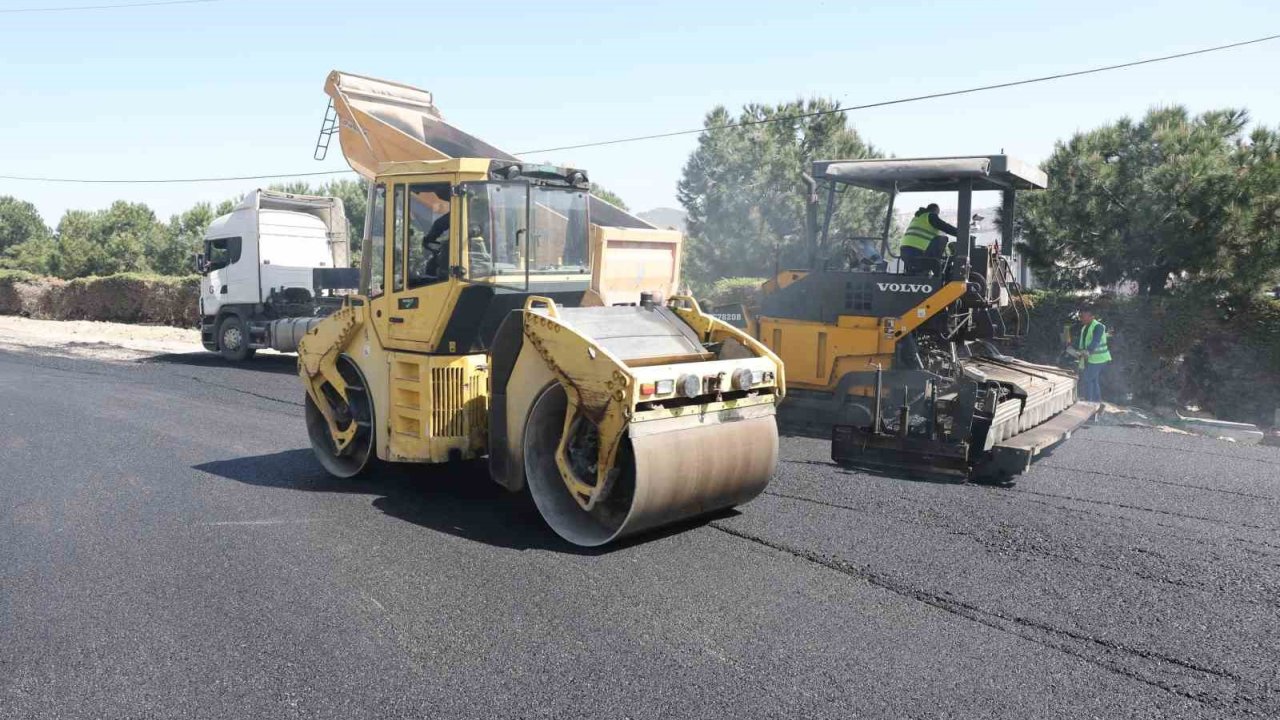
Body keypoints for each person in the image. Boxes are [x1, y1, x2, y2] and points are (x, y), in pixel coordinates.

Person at [1067, 306, 1112, 403]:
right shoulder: (1085, 327)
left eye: (1083, 316)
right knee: (1093, 380)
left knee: (1088, 379)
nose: (1081, 318)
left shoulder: (1098, 326)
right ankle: (1096, 401)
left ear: (1091, 317)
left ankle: (1088, 402)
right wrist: (1073, 347)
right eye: (1081, 316)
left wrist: (1087, 351)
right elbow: (1083, 342)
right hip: (1092, 359)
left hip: (1099, 359)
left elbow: (1095, 341)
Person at [900, 203, 958, 274]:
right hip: (918, 252)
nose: (937, 216)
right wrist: (961, 233)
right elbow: (946, 227)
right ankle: (938, 273)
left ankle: (925, 271)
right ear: (935, 210)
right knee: (943, 239)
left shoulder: (917, 218)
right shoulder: (930, 216)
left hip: (904, 253)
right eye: (937, 213)